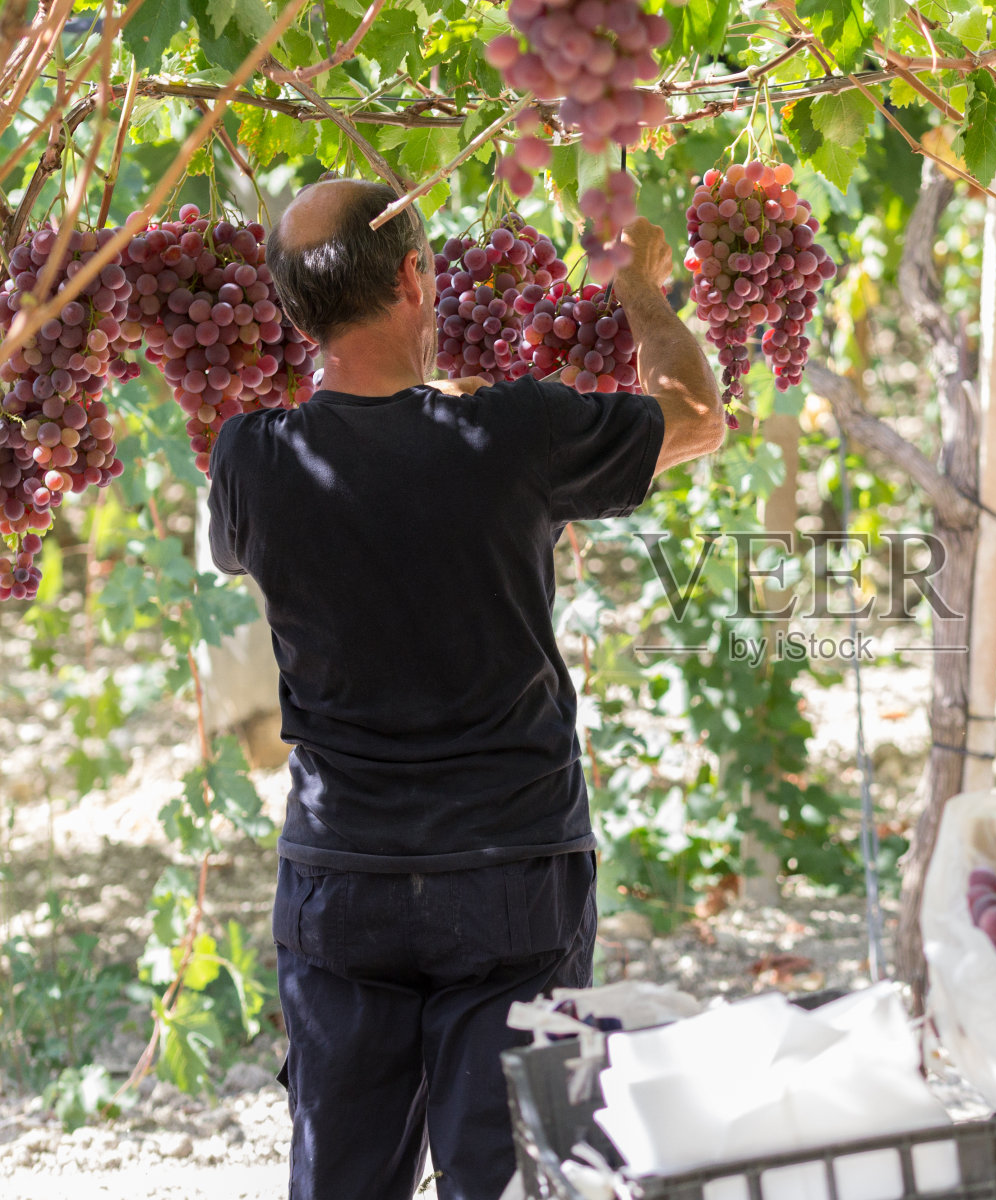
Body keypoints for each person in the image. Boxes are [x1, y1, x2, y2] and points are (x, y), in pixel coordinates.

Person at [206, 178, 724, 1200]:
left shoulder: (253, 461)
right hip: (509, 878)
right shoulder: (514, 440)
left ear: (292, 309)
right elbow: (697, 417)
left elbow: (270, 544)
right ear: (412, 277)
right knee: (506, 1180)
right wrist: (642, 291)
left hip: (338, 881)